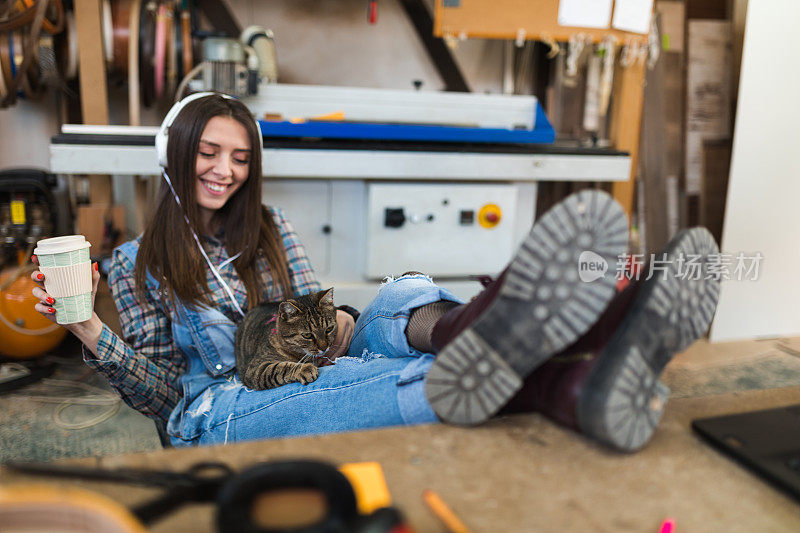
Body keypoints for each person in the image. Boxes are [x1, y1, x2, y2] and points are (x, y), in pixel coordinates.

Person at [31, 93, 721, 452]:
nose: (225, 170)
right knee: (371, 374)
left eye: (240, 158)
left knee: (401, 293)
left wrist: (332, 326)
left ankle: (501, 337)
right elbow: (159, 397)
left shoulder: (268, 229)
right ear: (175, 155)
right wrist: (88, 327)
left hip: (298, 362)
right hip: (219, 405)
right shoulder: (134, 264)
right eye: (210, 152)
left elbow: (312, 336)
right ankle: (587, 346)